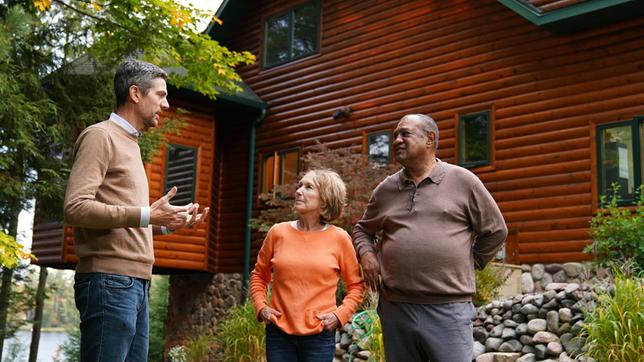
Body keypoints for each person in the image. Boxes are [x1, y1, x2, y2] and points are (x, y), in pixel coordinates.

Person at [64, 59, 209, 362]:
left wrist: (167, 223)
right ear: (135, 93)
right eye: (160, 95)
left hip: (136, 282)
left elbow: (127, 217)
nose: (166, 104)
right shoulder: (100, 136)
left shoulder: (130, 143)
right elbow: (76, 208)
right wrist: (146, 214)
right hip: (109, 281)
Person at [353, 114, 507, 362]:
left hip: (448, 310)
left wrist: (471, 261)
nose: (397, 141)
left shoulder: (463, 181)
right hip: (397, 308)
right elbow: (362, 229)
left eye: (405, 134)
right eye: (394, 136)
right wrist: (367, 255)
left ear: (430, 139)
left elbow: (496, 230)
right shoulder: (386, 189)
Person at [249, 169, 365, 362]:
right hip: (278, 335)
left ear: (325, 200)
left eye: (308, 187)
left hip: (319, 337)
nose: (299, 191)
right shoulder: (278, 233)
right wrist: (262, 308)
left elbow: (356, 286)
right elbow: (259, 276)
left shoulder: (339, 238)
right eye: (300, 185)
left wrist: (339, 315)